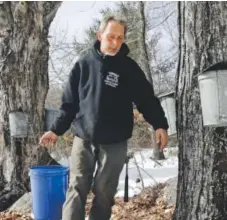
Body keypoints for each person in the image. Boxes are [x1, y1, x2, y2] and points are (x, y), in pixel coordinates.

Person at [40, 14, 169, 220]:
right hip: (83, 138)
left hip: (115, 142)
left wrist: (160, 125)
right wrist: (55, 130)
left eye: (120, 38)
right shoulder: (82, 65)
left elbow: (146, 99)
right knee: (76, 189)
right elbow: (68, 105)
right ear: (100, 35)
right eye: (111, 37)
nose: (115, 42)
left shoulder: (129, 68)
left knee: (104, 193)